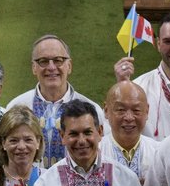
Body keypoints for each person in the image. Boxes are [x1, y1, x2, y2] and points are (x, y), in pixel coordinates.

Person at [6, 35, 106, 168]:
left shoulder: (92, 110)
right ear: (34, 68)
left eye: (58, 60)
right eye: (43, 61)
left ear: (69, 66)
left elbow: (101, 154)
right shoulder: (16, 107)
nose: (51, 67)